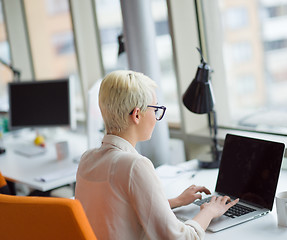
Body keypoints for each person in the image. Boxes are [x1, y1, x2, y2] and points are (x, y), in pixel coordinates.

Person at [75, 70, 239, 239]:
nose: (156, 117)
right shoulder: (134, 165)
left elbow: (119, 213)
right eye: (155, 109)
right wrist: (209, 212)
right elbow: (180, 238)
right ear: (137, 115)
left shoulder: (87, 159)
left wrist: (176, 202)